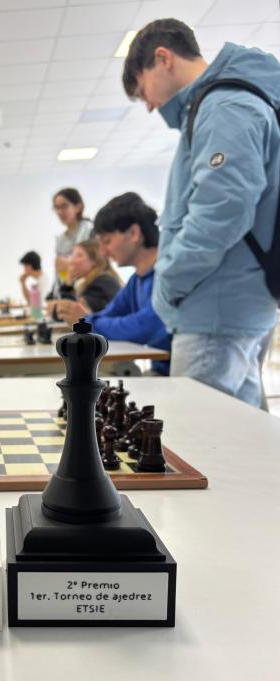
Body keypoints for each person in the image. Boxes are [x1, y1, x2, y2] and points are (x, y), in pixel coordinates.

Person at [122, 19, 280, 406]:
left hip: (215, 309)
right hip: (228, 303)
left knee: (200, 451)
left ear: (163, 58)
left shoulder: (224, 107)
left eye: (143, 90)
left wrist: (169, 281)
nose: (149, 106)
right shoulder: (218, 105)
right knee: (238, 448)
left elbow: (220, 214)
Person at [56, 193, 171, 376]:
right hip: (162, 371)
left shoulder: (167, 274)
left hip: (180, 373)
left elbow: (143, 326)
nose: (102, 251)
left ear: (134, 233)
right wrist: (88, 321)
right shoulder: (136, 281)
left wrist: (87, 321)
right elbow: (107, 315)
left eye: (107, 241)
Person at [49, 239, 122, 319]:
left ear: (94, 260)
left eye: (79, 255)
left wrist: (69, 280)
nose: (71, 261)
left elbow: (70, 314)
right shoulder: (96, 280)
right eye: (72, 255)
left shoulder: (103, 281)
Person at [50, 187, 94, 299]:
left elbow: (99, 263)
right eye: (57, 208)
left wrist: (69, 265)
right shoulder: (60, 240)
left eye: (64, 206)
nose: (60, 212)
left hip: (89, 292)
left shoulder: (90, 231)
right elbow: (60, 275)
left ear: (78, 207)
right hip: (67, 292)